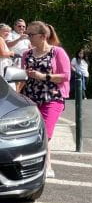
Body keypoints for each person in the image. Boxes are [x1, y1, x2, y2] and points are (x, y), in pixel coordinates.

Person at [20, 22, 71, 178]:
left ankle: (47, 165)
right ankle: (36, 164)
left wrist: (43, 76)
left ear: (43, 36)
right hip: (30, 98)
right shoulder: (26, 54)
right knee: (32, 133)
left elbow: (66, 76)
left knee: (45, 133)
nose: (28, 37)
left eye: (31, 34)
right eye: (27, 34)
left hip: (52, 97)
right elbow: (22, 77)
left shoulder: (57, 52)